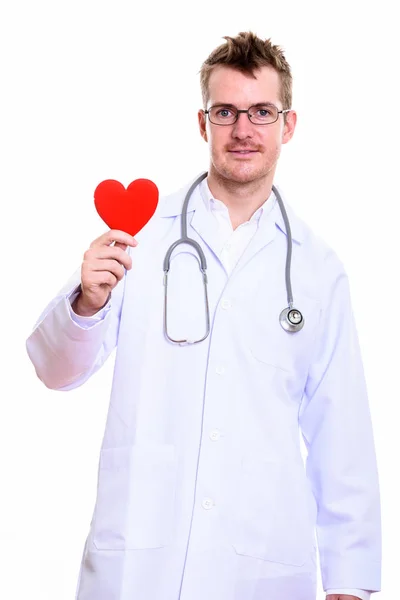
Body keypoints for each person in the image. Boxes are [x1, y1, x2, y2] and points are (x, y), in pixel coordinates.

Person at [26, 32, 381, 600]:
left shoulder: (318, 271)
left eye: (262, 111)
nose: (243, 130)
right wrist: (85, 304)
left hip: (261, 565)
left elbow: (341, 433)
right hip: (138, 567)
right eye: (226, 112)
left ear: (288, 125)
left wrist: (351, 583)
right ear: (203, 122)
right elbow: (54, 370)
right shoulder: (139, 236)